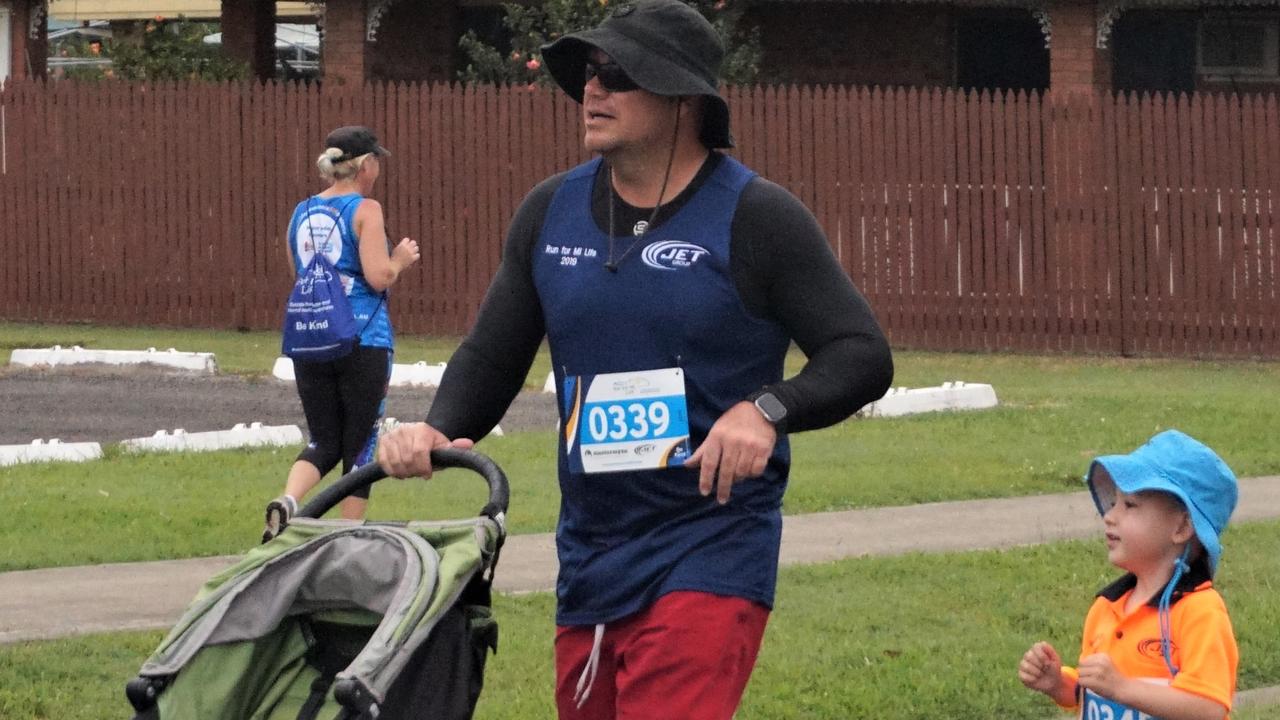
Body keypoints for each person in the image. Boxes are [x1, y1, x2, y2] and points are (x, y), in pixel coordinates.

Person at [377, 1, 893, 716]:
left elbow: (862, 353)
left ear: (682, 98)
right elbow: (493, 353)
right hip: (590, 555)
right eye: (589, 73)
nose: (593, 90)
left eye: (618, 75)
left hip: (711, 546)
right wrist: (440, 426)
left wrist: (766, 410)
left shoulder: (757, 217)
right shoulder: (548, 212)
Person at [264, 126, 421, 540]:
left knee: (323, 440)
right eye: (376, 161)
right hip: (362, 338)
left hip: (312, 339)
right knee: (361, 445)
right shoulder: (366, 210)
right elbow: (378, 275)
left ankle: (288, 502)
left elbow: (299, 274)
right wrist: (400, 259)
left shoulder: (301, 211)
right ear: (365, 165)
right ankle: (346, 533)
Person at [1018, 429, 1239, 720]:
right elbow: (1095, 692)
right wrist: (1060, 684)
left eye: (1130, 505)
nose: (1110, 515)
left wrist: (1123, 688)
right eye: (1114, 502)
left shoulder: (1199, 612)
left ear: (1181, 528)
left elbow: (1208, 707)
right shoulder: (1106, 607)